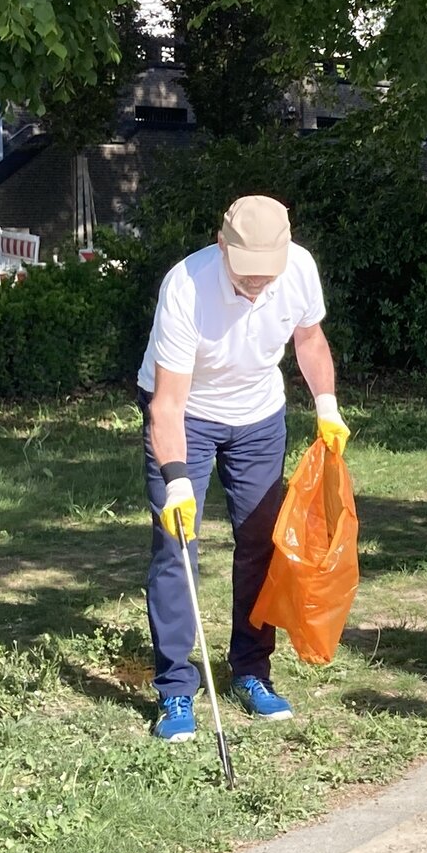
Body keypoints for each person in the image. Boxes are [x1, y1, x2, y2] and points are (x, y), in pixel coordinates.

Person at [137, 195, 350, 743]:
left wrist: (326, 406)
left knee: (260, 543)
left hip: (259, 415)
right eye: (246, 274)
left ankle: (251, 671)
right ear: (221, 244)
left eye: (266, 275)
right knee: (176, 544)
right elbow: (166, 405)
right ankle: (176, 687)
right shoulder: (186, 286)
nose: (256, 285)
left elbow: (310, 340)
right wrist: (178, 479)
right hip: (188, 411)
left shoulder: (298, 268)